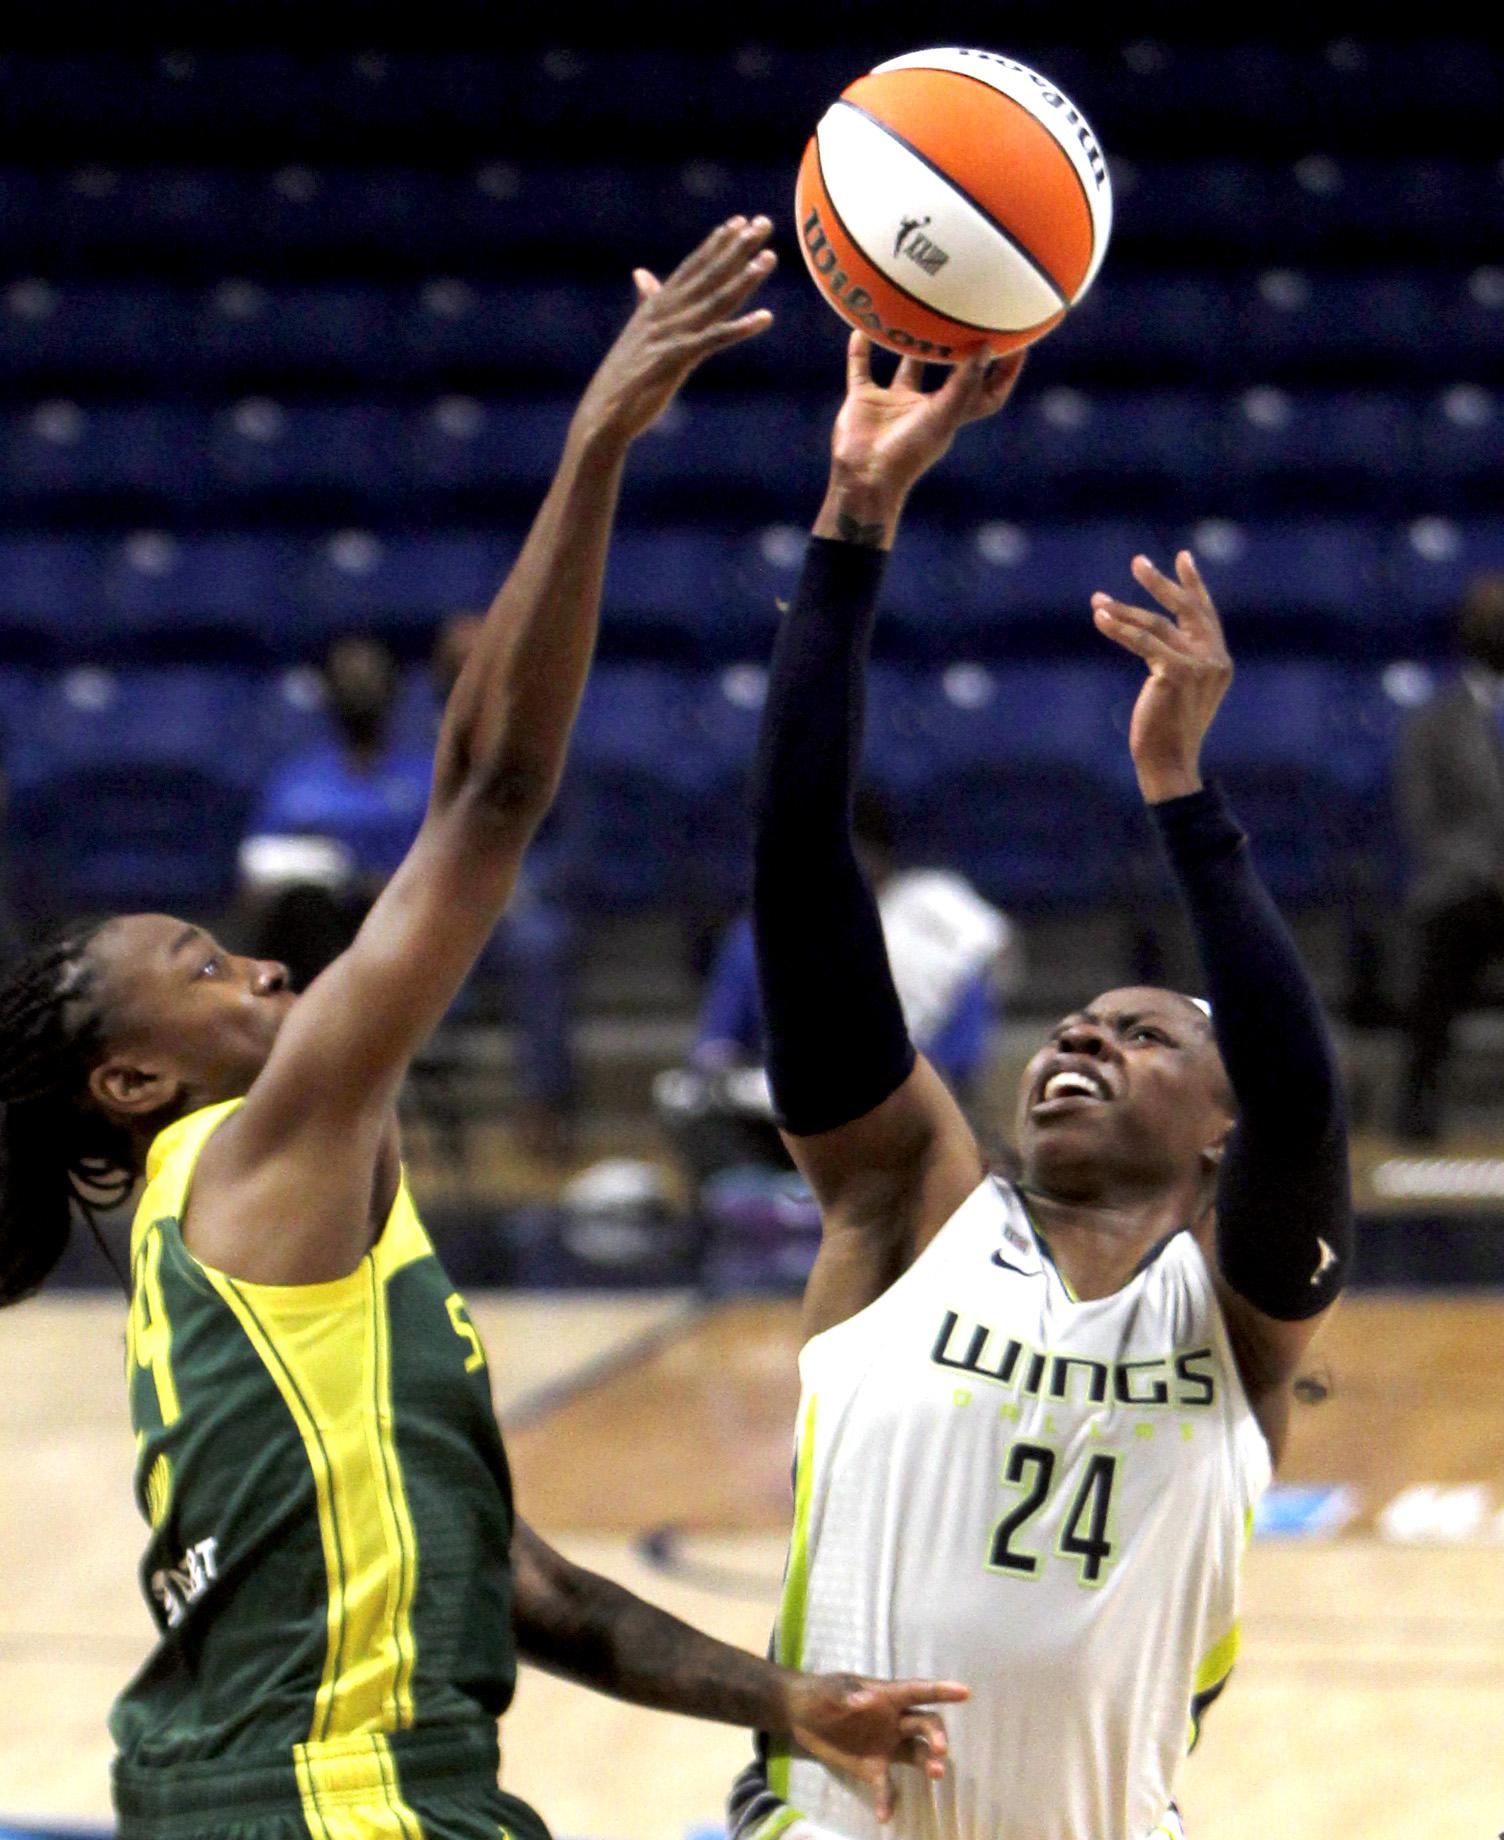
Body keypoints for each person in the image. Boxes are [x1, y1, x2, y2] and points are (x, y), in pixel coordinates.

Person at [0, 221, 965, 1840]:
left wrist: (778, 1700)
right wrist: (599, 439)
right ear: (136, 1079)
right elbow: (488, 794)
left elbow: (525, 1589)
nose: (254, 966)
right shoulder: (252, 1153)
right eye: (198, 965)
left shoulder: (288, 1251)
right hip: (320, 1813)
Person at [729, 334, 1352, 1840]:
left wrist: (1184, 799)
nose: (1082, 1040)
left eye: (1144, 1035)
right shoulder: (906, 1212)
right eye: (1076, 1024)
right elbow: (803, 870)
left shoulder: (1238, 1323)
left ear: (1222, 1131)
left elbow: (1308, 1097)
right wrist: (854, 519)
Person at [242, 628, 578, 1151]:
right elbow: (260, 870)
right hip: (341, 932)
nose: (360, 691)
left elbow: (468, 850)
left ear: (395, 691)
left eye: (370, 679)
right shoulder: (297, 779)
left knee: (538, 940)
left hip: (440, 920)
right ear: (326, 694)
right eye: (347, 680)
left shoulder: (428, 772)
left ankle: (544, 1109)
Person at [1392, 572, 1504, 1142]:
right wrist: (1490, 870)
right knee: (1441, 942)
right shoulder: (1432, 724)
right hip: (1465, 890)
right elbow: (1425, 824)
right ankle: (1416, 1108)